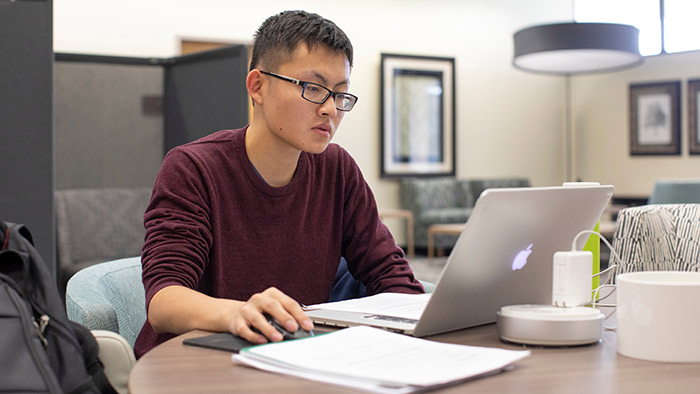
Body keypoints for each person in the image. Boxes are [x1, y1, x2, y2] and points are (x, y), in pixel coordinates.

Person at [134, 10, 424, 358]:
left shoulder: (337, 168)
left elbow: (390, 275)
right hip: (196, 362)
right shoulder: (194, 168)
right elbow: (164, 301)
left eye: (340, 94)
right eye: (314, 88)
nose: (331, 109)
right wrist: (235, 312)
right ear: (257, 86)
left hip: (294, 358)